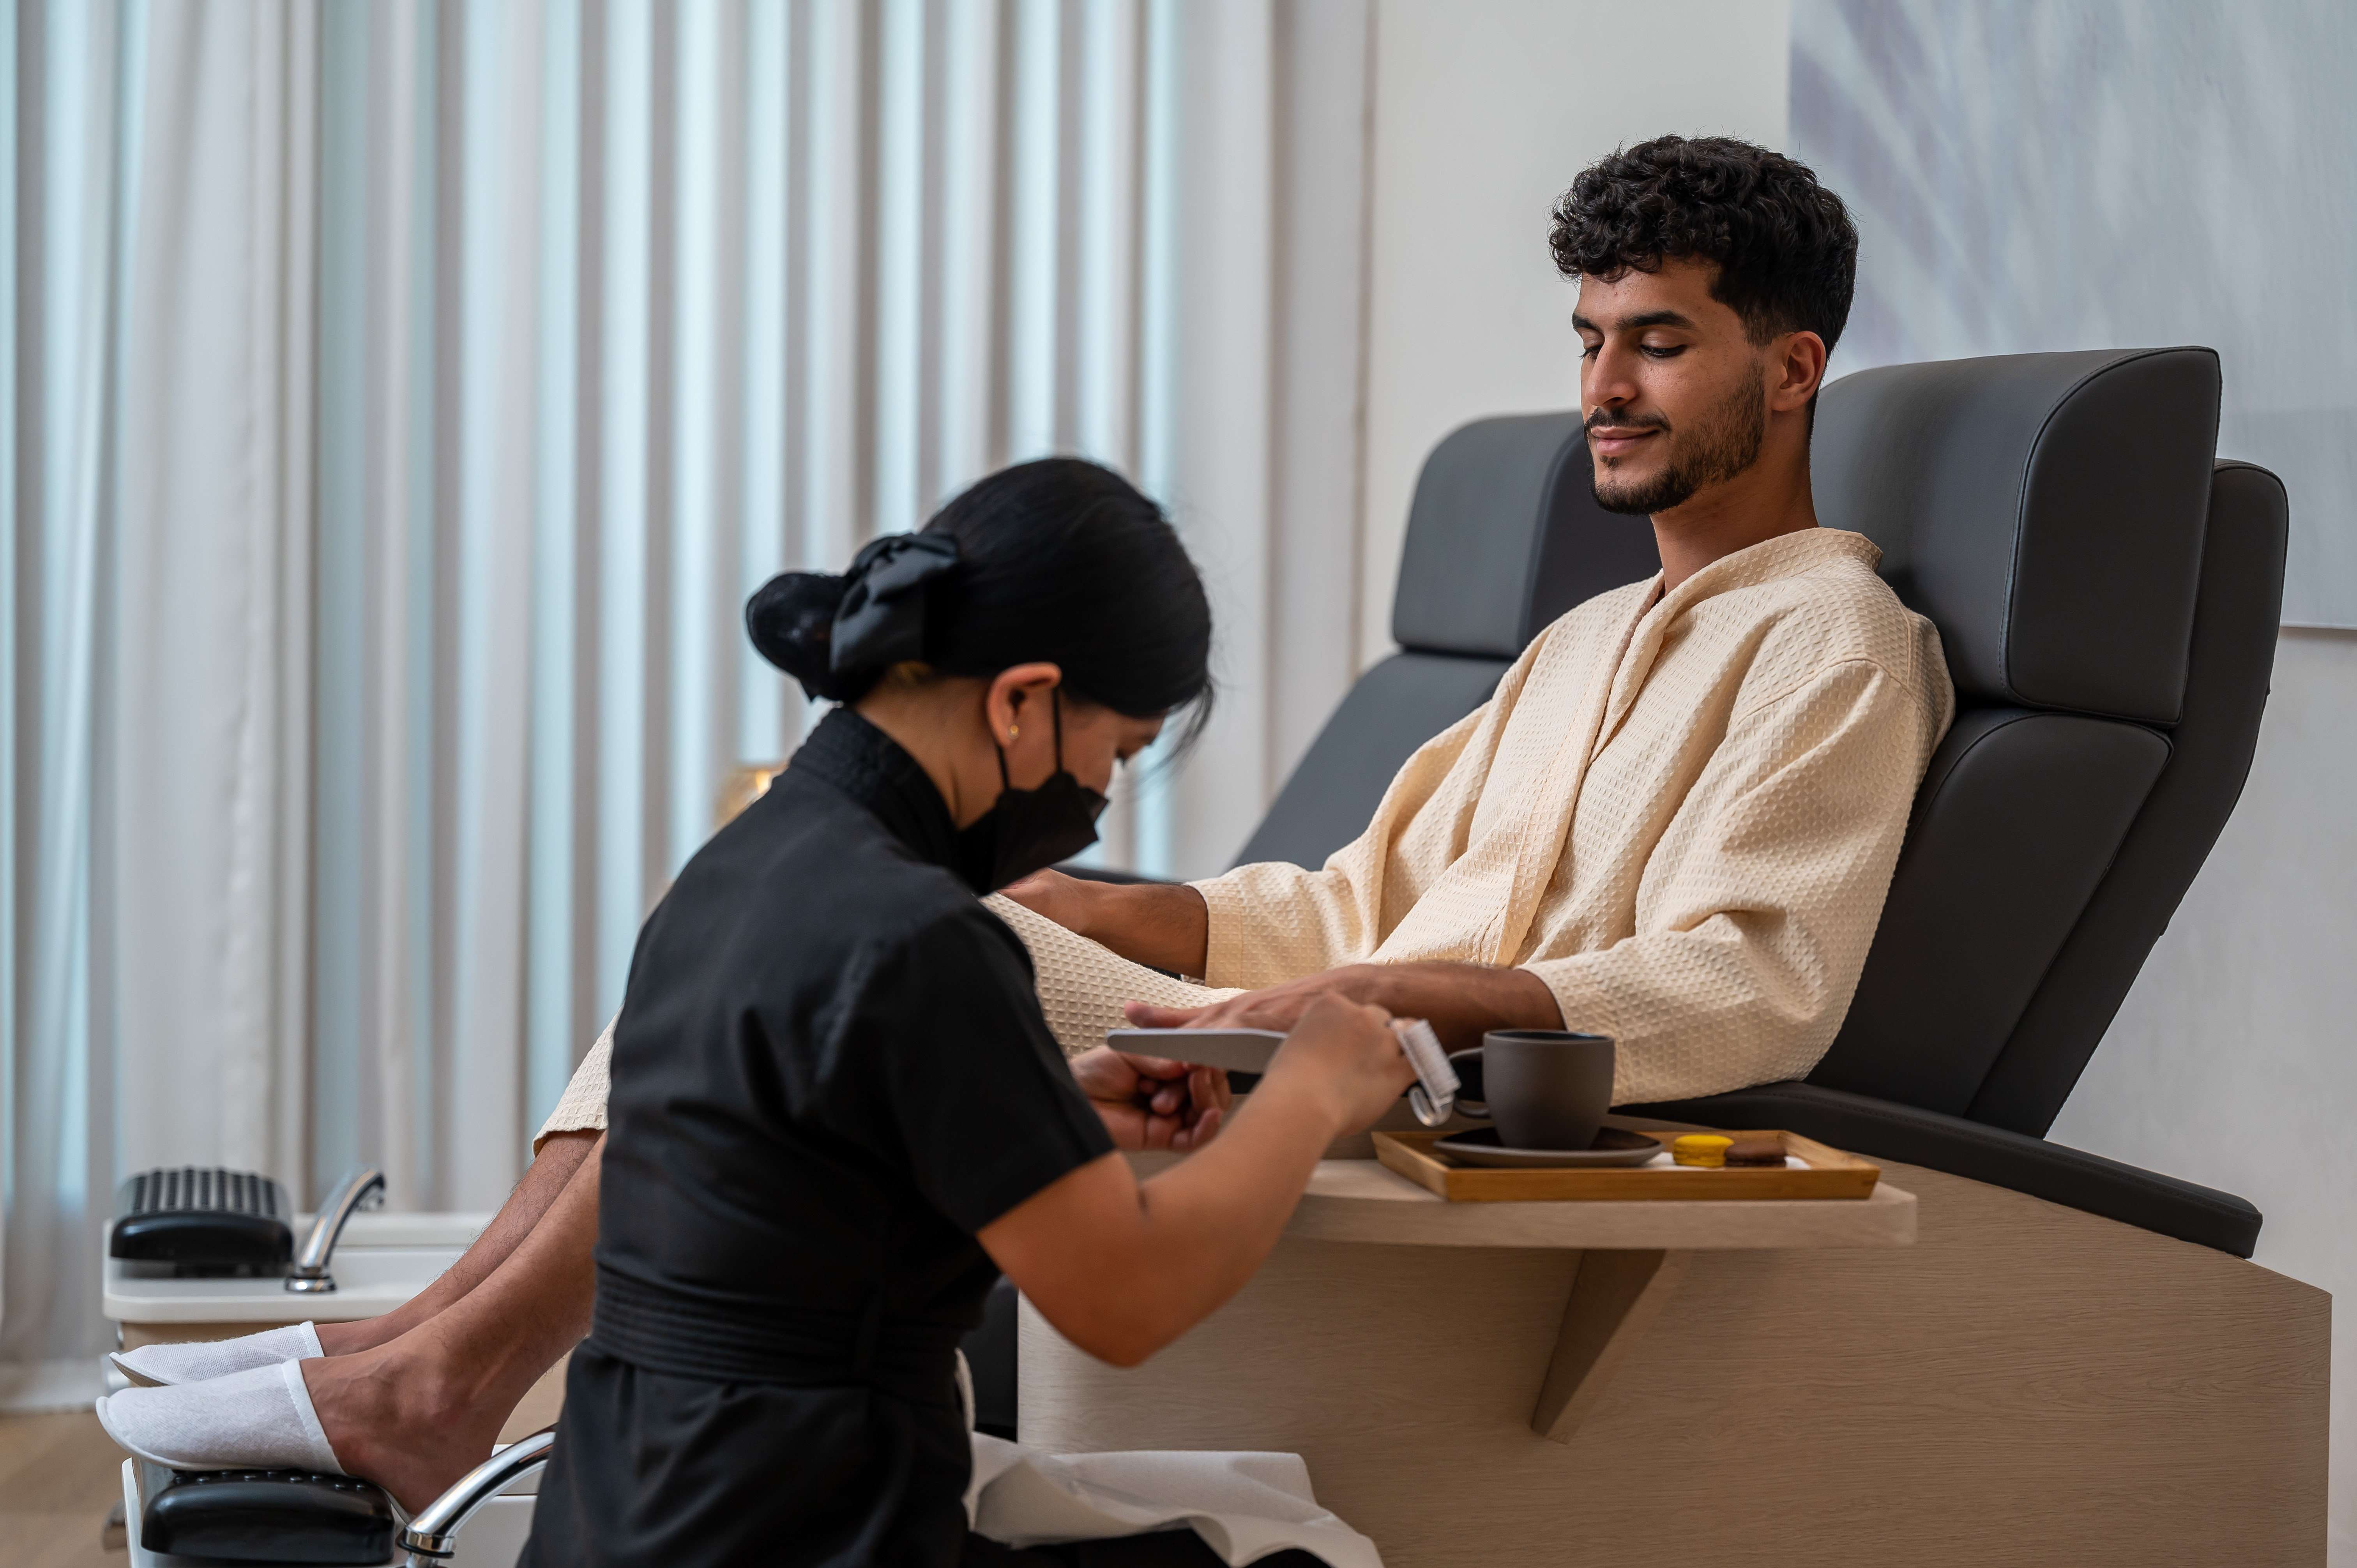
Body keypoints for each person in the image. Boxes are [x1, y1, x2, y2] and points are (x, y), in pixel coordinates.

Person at [104, 133, 1955, 1519]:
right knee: (788, 894)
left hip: (1449, 1092)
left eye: (1659, 345)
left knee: (823, 927)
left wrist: (1393, 1005)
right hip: (1339, 1024)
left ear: (1791, 369)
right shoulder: (1583, 639)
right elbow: (1343, 898)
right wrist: (1118, 909)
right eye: (1590, 340)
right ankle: (435, 1337)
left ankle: (443, 1366)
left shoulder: (1838, 641)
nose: (1602, 392)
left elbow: (1748, 976)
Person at [102, 459, 1418, 1568]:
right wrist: (1310, 1091)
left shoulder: (744, 865)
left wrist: (1035, 1110)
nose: (1100, 799)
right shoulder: (929, 941)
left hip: (619, 1516)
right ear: (1024, 702)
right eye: (1115, 753)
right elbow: (1127, 1300)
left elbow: (782, 1155)